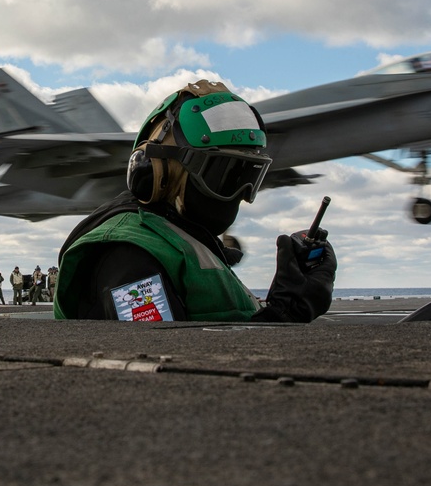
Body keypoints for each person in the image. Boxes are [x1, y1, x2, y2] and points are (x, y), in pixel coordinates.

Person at [53, 80, 336, 323]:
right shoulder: (130, 257)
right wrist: (285, 314)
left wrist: (282, 306)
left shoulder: (181, 244)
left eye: (247, 176)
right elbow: (169, 367)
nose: (240, 194)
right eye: (222, 175)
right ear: (160, 174)